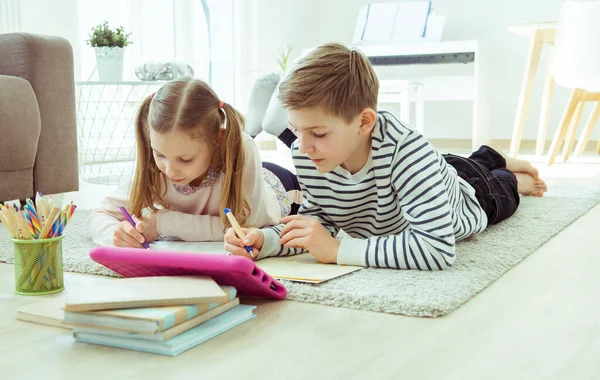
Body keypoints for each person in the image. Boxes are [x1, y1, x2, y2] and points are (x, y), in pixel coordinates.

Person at [224, 42, 547, 270]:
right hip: (438, 171)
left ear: (364, 122)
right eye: (296, 130)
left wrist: (338, 250)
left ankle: (501, 163)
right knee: (453, 164)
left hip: (476, 194)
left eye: (318, 133)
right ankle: (488, 154)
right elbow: (316, 223)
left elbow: (435, 250)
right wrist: (262, 241)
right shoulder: (308, 152)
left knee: (502, 183)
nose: (303, 146)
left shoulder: (409, 153)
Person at [88, 77, 302, 248]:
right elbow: (100, 214)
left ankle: (275, 129)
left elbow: (245, 229)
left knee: (252, 145)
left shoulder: (240, 150)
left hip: (279, 186)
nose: (170, 170)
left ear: (217, 139)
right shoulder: (159, 166)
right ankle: (253, 126)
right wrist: (114, 235)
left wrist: (165, 222)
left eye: (185, 159)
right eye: (160, 154)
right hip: (234, 166)